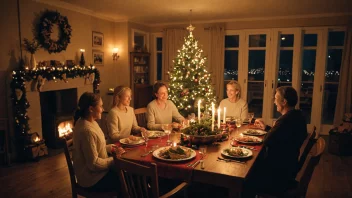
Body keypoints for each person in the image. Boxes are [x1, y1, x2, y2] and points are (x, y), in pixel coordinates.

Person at [242, 86, 308, 197]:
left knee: (246, 174)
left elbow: (267, 140)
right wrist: (267, 128)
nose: (274, 102)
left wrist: (268, 132)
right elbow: (282, 135)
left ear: (284, 102)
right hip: (287, 167)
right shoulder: (296, 115)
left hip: (277, 174)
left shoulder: (285, 120)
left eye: (276, 98)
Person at [72, 92, 124, 193]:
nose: (103, 109)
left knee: (128, 174)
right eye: (100, 106)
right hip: (92, 179)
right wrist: (114, 160)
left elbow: (97, 147)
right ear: (91, 109)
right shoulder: (87, 131)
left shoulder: (90, 122)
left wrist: (112, 148)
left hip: (99, 173)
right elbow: (94, 164)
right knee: (128, 180)